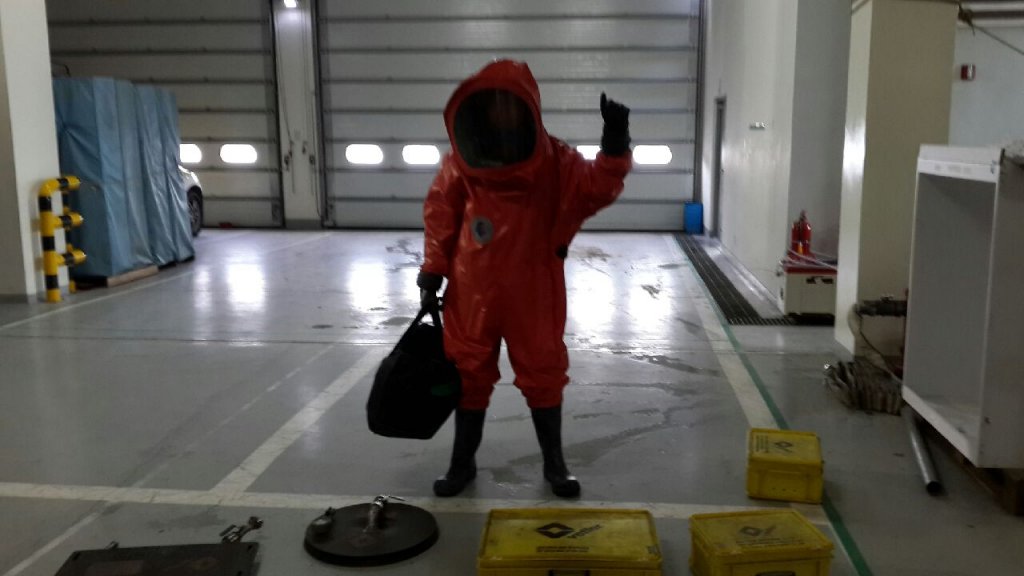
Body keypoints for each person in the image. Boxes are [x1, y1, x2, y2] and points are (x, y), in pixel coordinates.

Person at [417, 59, 631, 498]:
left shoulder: (556, 161)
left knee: (543, 372)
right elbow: (441, 212)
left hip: (533, 290)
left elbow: (597, 187)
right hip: (471, 289)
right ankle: (462, 464)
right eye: (493, 103)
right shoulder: (461, 162)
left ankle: (555, 465)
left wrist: (614, 141)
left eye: (508, 103)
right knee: (468, 373)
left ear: (527, 108)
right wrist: (433, 269)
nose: (501, 112)